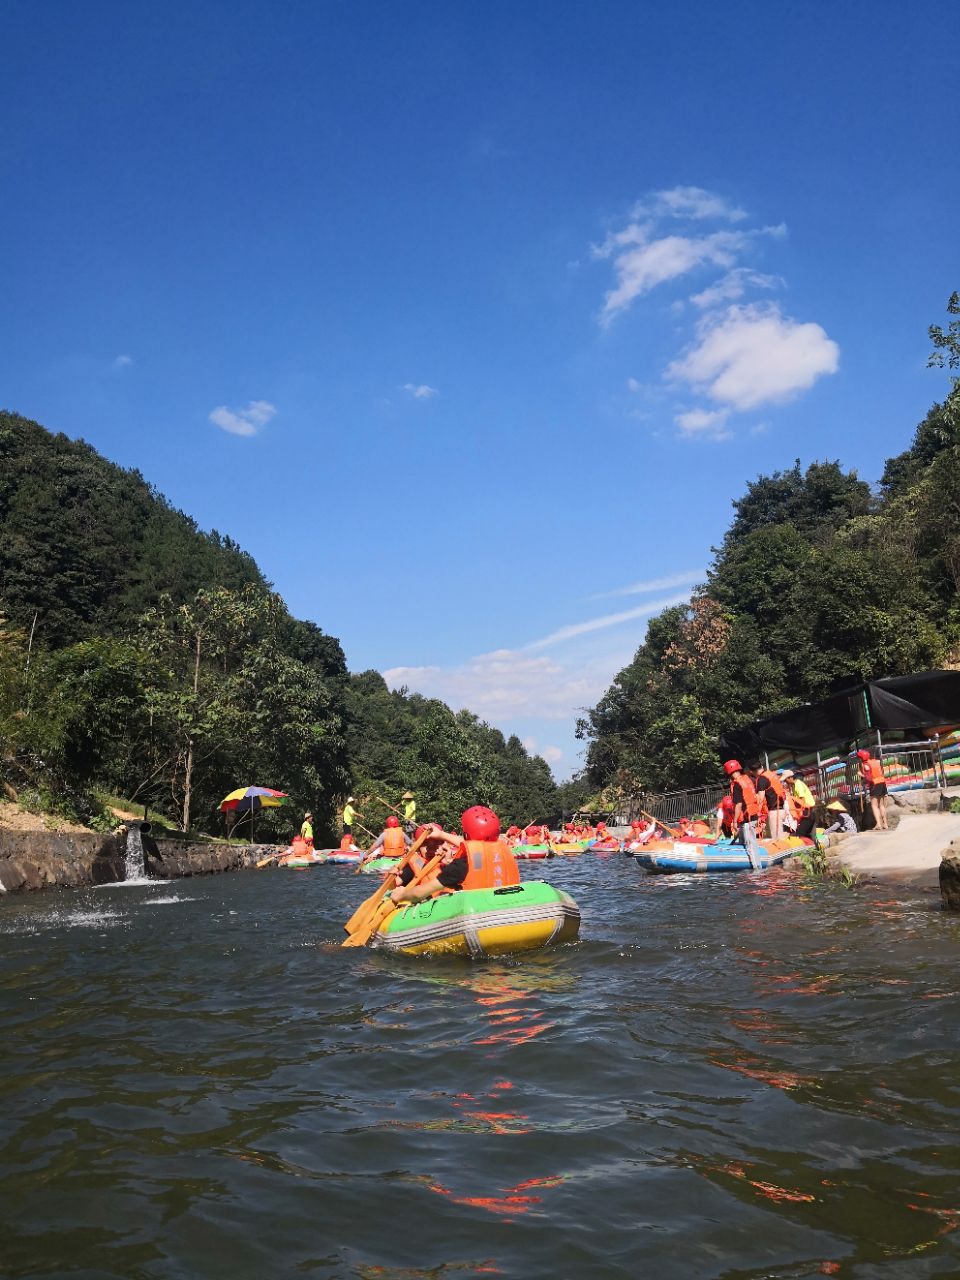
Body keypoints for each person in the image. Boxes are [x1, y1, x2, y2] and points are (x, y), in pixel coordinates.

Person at [390, 807, 519, 905]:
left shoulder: (456, 865)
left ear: (466, 835)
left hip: (475, 913)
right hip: (501, 907)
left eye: (437, 843)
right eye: (426, 844)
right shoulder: (503, 850)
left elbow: (419, 893)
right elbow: (473, 846)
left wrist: (402, 895)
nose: (432, 847)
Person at [723, 759, 761, 853]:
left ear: (729, 772)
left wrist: (735, 821)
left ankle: (757, 866)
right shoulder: (749, 779)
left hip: (746, 817)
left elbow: (738, 804)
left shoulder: (737, 784)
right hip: (753, 814)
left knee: (750, 844)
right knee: (746, 841)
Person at [857, 748, 889, 830]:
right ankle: (885, 824)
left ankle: (878, 824)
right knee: (881, 805)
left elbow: (869, 778)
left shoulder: (866, 765)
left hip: (875, 784)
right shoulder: (875, 762)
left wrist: (861, 774)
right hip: (882, 783)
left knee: (874, 805)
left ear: (861, 758)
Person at [753, 763, 786, 839]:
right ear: (761, 767)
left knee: (776, 840)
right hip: (781, 809)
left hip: (774, 811)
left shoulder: (762, 779)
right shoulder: (770, 775)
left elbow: (761, 798)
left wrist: (757, 814)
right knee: (775, 837)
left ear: (752, 771)